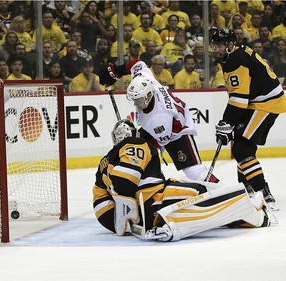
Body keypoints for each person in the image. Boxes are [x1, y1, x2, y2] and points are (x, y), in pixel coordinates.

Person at [93, 119, 273, 241]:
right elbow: (126, 182)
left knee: (199, 188)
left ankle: (165, 219)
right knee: (200, 193)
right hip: (154, 199)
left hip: (145, 212)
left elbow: (102, 210)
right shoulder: (136, 143)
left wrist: (130, 221)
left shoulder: (103, 163)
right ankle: (251, 215)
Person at [99, 59, 221, 184]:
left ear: (148, 96)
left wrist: (134, 142)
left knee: (193, 170)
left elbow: (158, 143)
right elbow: (137, 64)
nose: (135, 103)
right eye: (134, 99)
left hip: (177, 132)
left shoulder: (158, 119)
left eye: (138, 100)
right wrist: (115, 72)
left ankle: (220, 189)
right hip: (167, 123)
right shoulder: (146, 80)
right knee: (140, 156)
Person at [210, 28, 286, 211]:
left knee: (242, 148)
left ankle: (264, 193)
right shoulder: (236, 54)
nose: (217, 49)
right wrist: (229, 124)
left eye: (220, 45)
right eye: (215, 45)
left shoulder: (236, 60)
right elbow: (241, 97)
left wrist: (226, 122)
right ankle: (247, 187)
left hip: (265, 103)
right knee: (243, 144)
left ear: (230, 44)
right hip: (261, 100)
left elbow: (239, 99)